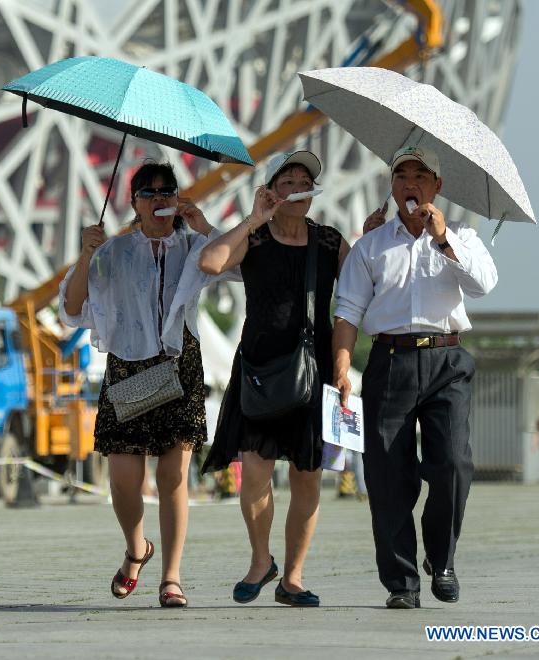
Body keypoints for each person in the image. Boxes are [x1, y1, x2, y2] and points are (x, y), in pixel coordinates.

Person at [333, 145, 498, 609]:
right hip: (391, 361)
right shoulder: (371, 246)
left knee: (452, 464)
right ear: (391, 185)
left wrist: (444, 240)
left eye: (420, 176)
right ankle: (402, 583)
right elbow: (347, 311)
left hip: (448, 361)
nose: (410, 184)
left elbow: (484, 284)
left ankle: (441, 560)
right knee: (387, 475)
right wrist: (343, 367)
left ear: (436, 187)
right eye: (401, 175)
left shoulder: (462, 237)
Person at [60, 162, 219, 608]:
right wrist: (87, 253)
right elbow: (72, 308)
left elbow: (237, 266)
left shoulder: (194, 246)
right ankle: (137, 548)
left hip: (179, 361)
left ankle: (172, 576)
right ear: (133, 202)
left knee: (173, 476)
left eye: (166, 190)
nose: (158, 198)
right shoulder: (113, 252)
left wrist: (203, 224)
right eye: (148, 192)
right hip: (129, 364)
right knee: (124, 481)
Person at [199, 150, 350, 607]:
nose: (299, 186)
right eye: (289, 181)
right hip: (260, 372)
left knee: (308, 477)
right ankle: (261, 561)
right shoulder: (257, 239)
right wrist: (252, 219)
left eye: (306, 180)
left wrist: (376, 234)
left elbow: (365, 284)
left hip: (313, 371)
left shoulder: (327, 242)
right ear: (272, 191)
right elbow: (211, 262)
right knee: (255, 474)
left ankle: (294, 578)